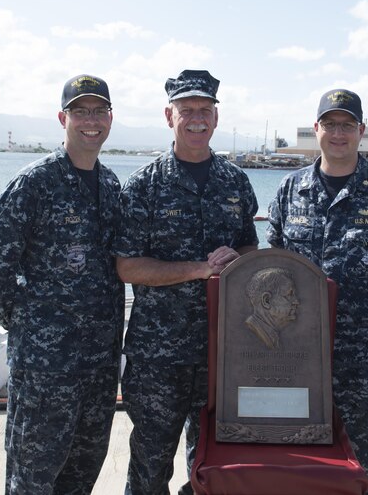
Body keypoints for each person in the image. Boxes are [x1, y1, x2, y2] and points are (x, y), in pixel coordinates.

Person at [0, 74, 125, 494]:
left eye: (99, 111)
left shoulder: (110, 186)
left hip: (99, 365)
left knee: (81, 475)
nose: (90, 121)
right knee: (33, 478)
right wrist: (24, 320)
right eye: (80, 111)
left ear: (110, 119)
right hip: (46, 368)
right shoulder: (36, 182)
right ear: (63, 118)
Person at [266, 88, 368, 494]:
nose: (338, 133)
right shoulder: (289, 190)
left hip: (366, 360)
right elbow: (274, 266)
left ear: (362, 131)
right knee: (300, 464)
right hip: (298, 357)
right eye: (330, 124)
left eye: (347, 125)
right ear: (316, 128)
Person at [114, 69, 259, 495]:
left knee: (212, 467)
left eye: (205, 110)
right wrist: (198, 269)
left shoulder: (235, 182)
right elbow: (128, 267)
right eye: (187, 110)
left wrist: (238, 260)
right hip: (159, 357)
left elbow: (249, 247)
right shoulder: (144, 185)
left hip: (222, 353)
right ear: (169, 116)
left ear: (216, 118)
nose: (197, 119)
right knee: (150, 466)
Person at [244, 267, 299, 350]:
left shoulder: (273, 336)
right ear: (266, 301)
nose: (296, 302)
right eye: (289, 295)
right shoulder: (252, 330)